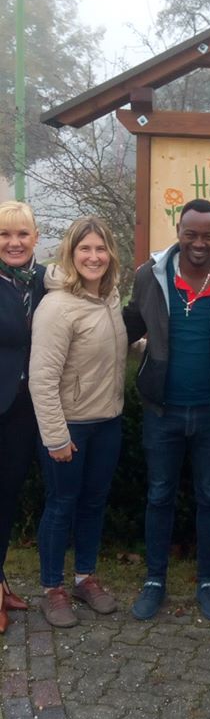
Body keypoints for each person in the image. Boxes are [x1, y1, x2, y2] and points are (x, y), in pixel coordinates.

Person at [123, 199, 210, 622]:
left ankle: (207, 581)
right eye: (191, 234)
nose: (199, 243)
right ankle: (154, 581)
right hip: (161, 411)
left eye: (208, 235)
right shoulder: (150, 275)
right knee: (159, 495)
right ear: (178, 230)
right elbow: (126, 325)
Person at [29, 217, 127, 628]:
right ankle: (52, 588)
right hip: (70, 426)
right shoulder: (57, 306)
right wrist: (56, 437)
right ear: (70, 253)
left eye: (100, 249)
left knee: (92, 503)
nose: (93, 256)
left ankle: (85, 577)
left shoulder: (110, 297)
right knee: (61, 505)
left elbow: (114, 345)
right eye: (84, 248)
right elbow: (42, 379)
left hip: (108, 422)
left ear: (110, 255)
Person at [0, 201, 46, 633]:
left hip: (26, 408)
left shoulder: (47, 281)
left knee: (8, 496)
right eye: (3, 235)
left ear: (35, 238)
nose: (13, 243)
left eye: (21, 235)